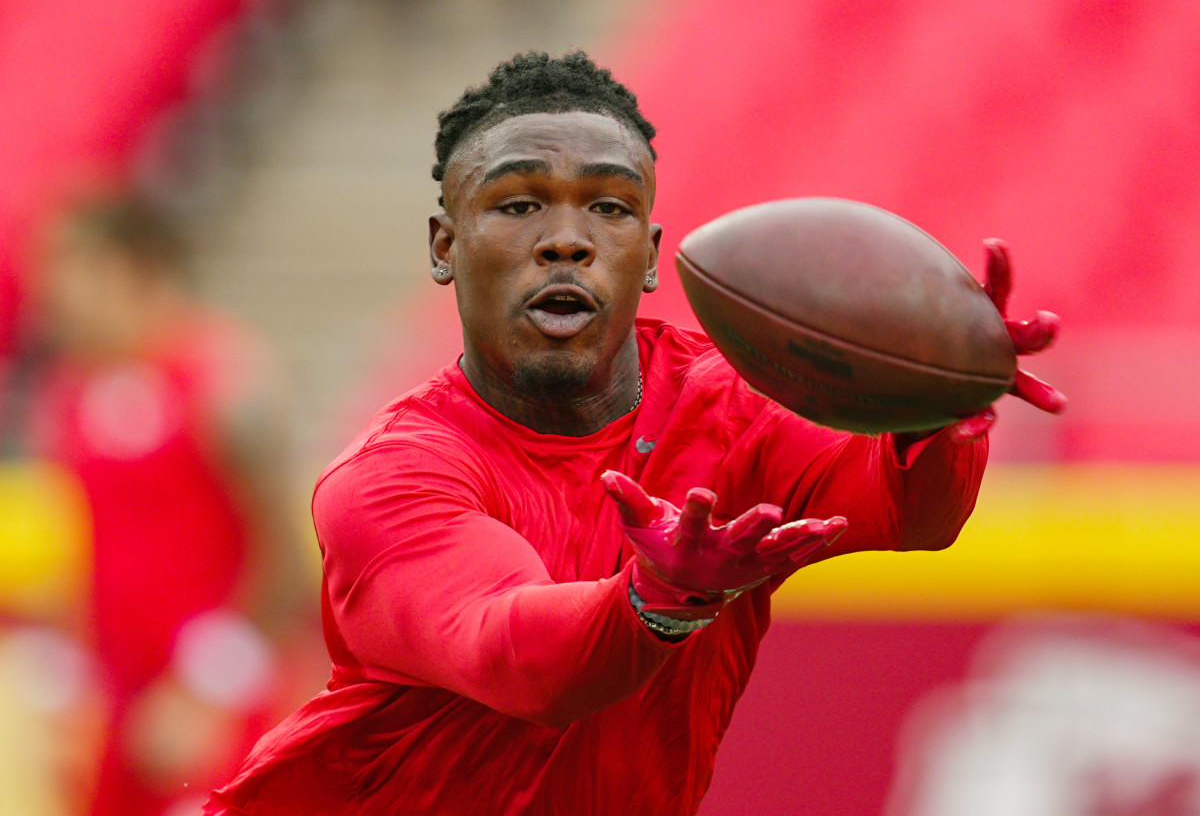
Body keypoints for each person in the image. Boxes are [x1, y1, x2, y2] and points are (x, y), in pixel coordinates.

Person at [205, 51, 1061, 815]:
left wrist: (934, 407)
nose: (567, 241)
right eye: (518, 204)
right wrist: (657, 601)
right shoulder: (391, 479)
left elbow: (911, 513)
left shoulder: (732, 409)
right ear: (444, 245)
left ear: (651, 256)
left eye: (609, 207)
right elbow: (519, 660)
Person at [20, 194, 309, 816]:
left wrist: (209, 689)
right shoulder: (65, 393)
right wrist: (64, 681)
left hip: (213, 701)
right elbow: (80, 551)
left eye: (70, 269)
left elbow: (288, 555)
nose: (51, 293)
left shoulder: (225, 378)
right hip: (118, 707)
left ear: (131, 269)